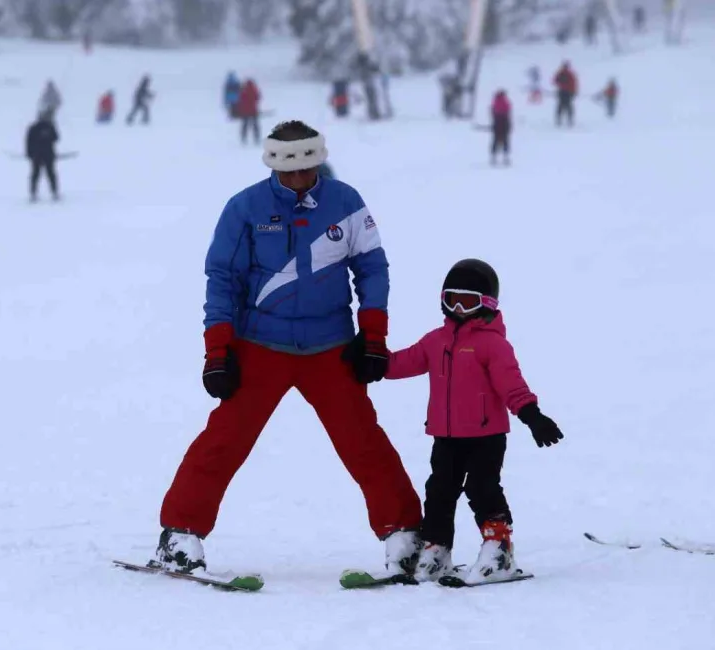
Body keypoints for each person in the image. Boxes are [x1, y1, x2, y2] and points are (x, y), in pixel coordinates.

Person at [153, 120, 423, 577]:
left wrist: (372, 337)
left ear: (319, 161)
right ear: (273, 165)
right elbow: (223, 280)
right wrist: (218, 352)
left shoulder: (346, 202)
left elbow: (373, 269)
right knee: (224, 440)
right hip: (261, 344)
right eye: (289, 172)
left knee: (363, 441)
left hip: (330, 346)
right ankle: (180, 535)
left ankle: (406, 535)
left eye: (308, 169)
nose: (299, 180)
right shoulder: (245, 208)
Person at [385, 259, 564, 583]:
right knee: (439, 491)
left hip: (486, 436)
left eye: (467, 301)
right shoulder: (435, 341)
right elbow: (402, 363)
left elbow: (512, 384)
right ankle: (437, 549)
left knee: (482, 488)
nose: (458, 307)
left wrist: (532, 415)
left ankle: (499, 548)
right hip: (446, 436)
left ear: (487, 304)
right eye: (451, 298)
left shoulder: (492, 344)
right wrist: (371, 361)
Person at [25, 111, 60, 202]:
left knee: (50, 174)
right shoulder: (34, 128)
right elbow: (28, 142)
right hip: (38, 155)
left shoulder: (50, 127)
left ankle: (54, 192)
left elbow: (56, 138)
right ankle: (34, 193)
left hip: (47, 155)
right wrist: (29, 153)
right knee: (37, 174)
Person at [489, 90, 512, 167]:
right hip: (504, 121)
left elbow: (492, 111)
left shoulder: (495, 102)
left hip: (497, 121)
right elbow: (508, 111)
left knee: (495, 139)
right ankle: (506, 156)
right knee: (505, 139)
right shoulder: (506, 101)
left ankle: (493, 156)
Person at [553, 61, 578, 128]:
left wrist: (573, 91)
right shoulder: (564, 73)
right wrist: (574, 92)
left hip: (565, 92)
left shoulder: (566, 74)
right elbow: (555, 81)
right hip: (565, 92)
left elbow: (555, 81)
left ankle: (563, 119)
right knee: (566, 106)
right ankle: (566, 119)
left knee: (563, 106)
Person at [236, 78, 262, 145]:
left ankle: (243, 138)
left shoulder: (244, 91)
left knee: (245, 125)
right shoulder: (254, 90)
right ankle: (257, 138)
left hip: (245, 111)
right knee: (255, 125)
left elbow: (240, 99)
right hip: (254, 110)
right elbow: (258, 98)